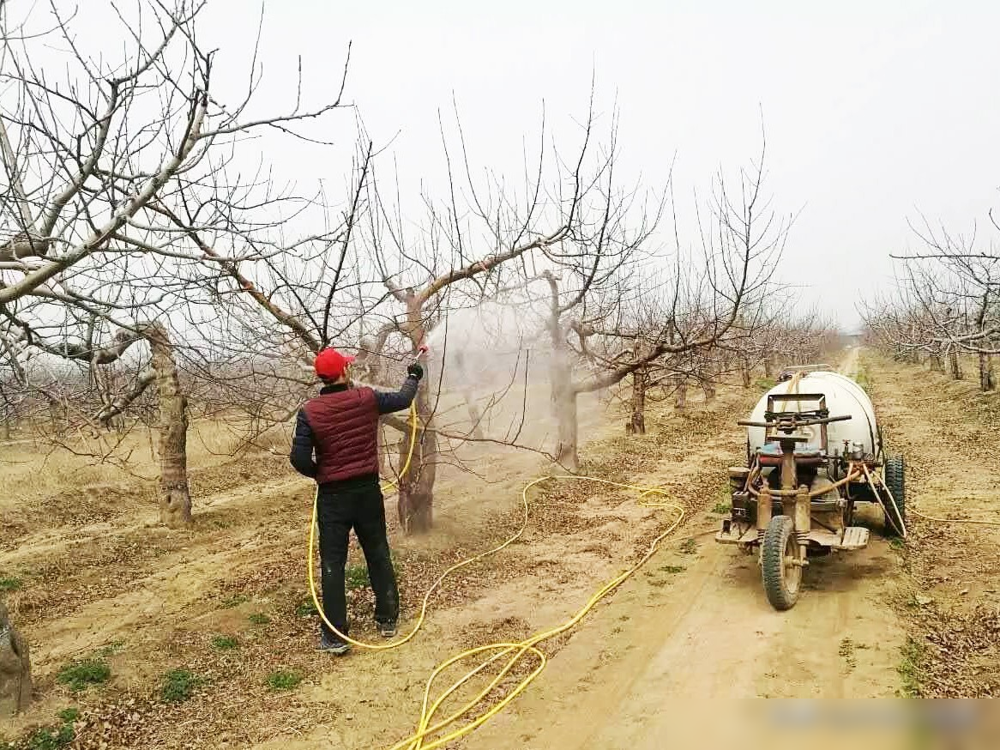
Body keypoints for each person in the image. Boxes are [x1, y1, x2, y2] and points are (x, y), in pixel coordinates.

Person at [290, 347, 423, 654]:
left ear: (320, 377)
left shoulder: (309, 412)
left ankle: (335, 636)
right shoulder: (366, 398)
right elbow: (403, 399)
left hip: (333, 498)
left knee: (333, 563)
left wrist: (319, 473)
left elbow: (299, 458)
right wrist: (413, 376)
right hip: (367, 492)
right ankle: (387, 620)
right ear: (344, 371)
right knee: (378, 553)